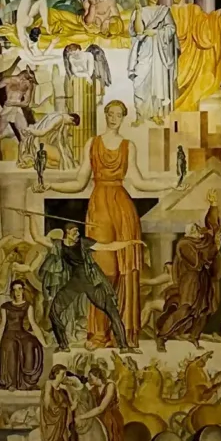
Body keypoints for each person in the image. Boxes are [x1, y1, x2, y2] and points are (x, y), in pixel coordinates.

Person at [76, 99, 147, 346]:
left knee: (124, 271)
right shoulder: (92, 144)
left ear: (123, 117)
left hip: (123, 209)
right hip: (98, 209)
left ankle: (121, 334)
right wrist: (48, 184)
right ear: (105, 115)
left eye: (119, 114)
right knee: (103, 271)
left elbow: (139, 181)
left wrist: (172, 184)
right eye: (111, 113)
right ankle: (99, 333)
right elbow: (79, 182)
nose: (114, 118)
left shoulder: (129, 146)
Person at [149, 203, 221, 346]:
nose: (199, 231)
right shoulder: (184, 245)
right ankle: (162, 336)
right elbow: (197, 262)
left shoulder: (200, 243)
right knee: (184, 310)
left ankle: (194, 336)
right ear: (190, 231)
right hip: (190, 283)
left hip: (203, 282)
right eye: (196, 229)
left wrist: (214, 209)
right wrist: (215, 248)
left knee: (204, 312)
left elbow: (209, 242)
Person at [0, 279, 46, 391]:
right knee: (10, 346)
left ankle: (28, 382)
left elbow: (33, 324)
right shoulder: (5, 306)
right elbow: (2, 324)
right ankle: (11, 383)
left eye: (19, 289)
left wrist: (44, 342)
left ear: (23, 290)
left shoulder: (28, 306)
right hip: (9, 333)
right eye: (14, 289)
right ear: (12, 292)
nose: (17, 292)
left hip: (22, 332)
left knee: (30, 344)